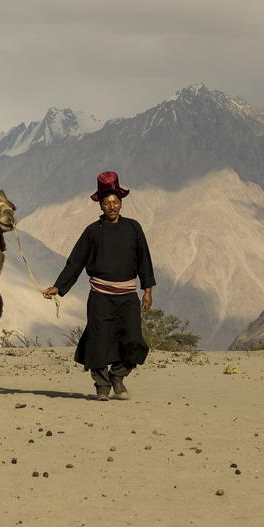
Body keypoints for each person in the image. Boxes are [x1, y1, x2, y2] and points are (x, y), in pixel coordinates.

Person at [42, 171, 155, 400]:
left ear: (121, 203)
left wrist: (147, 290)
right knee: (98, 340)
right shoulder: (92, 231)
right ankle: (102, 386)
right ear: (100, 205)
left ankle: (118, 376)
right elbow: (75, 262)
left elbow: (144, 259)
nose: (112, 206)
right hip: (100, 296)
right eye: (107, 202)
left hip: (127, 296)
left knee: (133, 339)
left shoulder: (134, 228)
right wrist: (58, 287)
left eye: (115, 202)